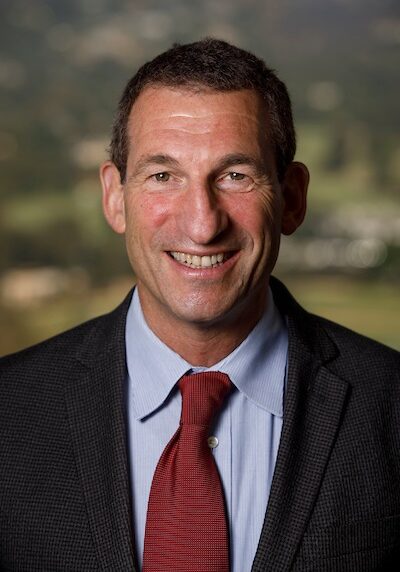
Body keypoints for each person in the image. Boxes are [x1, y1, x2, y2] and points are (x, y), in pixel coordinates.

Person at [0, 38, 399, 572]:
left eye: (235, 176)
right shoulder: (10, 411)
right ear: (115, 197)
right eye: (163, 175)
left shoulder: (389, 405)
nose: (203, 224)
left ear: (293, 198)